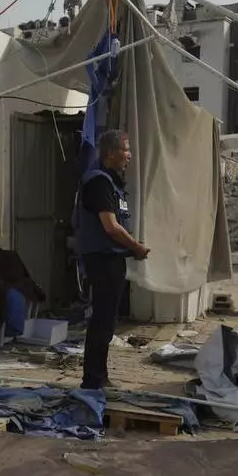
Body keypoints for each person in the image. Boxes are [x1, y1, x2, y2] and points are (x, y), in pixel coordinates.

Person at [76, 129, 150, 390]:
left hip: (111, 260)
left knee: (107, 321)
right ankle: (93, 380)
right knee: (102, 321)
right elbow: (110, 227)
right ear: (111, 153)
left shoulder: (111, 182)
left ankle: (99, 377)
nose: (129, 155)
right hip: (103, 260)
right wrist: (136, 247)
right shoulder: (99, 182)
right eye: (126, 149)